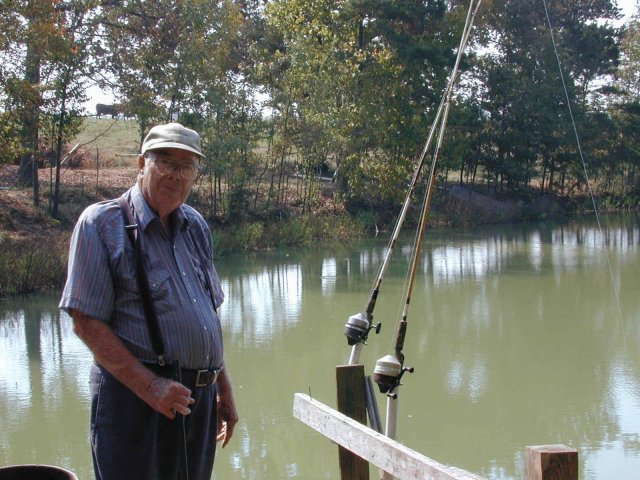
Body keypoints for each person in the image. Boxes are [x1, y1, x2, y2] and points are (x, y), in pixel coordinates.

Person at [59, 122, 238, 480]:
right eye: (166, 162)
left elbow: (205, 315)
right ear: (142, 164)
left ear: (195, 175)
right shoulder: (101, 224)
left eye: (186, 166)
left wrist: (222, 387)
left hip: (196, 403)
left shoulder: (196, 227)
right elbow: (86, 321)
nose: (176, 175)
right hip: (134, 402)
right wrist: (150, 386)